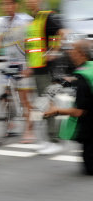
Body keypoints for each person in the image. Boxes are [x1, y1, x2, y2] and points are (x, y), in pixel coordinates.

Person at [44, 40, 93, 175]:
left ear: (81, 54)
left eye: (74, 50)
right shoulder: (89, 67)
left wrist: (56, 111)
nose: (70, 52)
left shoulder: (83, 79)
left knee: (89, 168)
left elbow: (79, 112)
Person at [0, 0, 35, 143]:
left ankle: (29, 130)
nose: (6, 7)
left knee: (25, 100)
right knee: (5, 95)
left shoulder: (26, 20)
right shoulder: (3, 22)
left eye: (9, 4)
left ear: (15, 5)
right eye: (4, 4)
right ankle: (11, 122)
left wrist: (31, 66)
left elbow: (34, 42)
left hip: (24, 64)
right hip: (10, 64)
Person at [24, 0, 65, 154]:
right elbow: (33, 45)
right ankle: (47, 139)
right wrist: (29, 66)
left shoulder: (47, 17)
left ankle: (54, 140)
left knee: (46, 103)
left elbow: (61, 32)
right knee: (41, 104)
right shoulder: (33, 19)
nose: (30, 2)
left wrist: (53, 51)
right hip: (36, 69)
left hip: (46, 69)